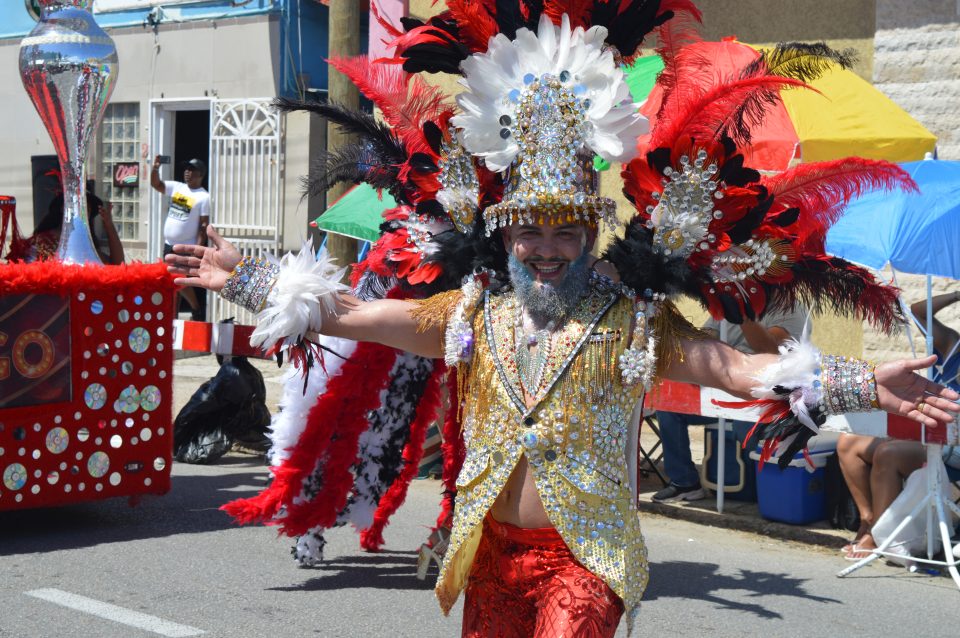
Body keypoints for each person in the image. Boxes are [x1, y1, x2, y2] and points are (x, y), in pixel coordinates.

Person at [166, 7, 959, 636]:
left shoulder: (631, 319)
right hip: (488, 555)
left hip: (586, 560)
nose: (546, 251)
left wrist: (861, 379)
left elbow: (739, 370)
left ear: (588, 235)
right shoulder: (471, 310)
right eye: (530, 231)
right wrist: (251, 278)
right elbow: (356, 313)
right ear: (505, 232)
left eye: (565, 233)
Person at [837, 291, 960, 560]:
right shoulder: (953, 346)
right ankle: (867, 520)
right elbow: (918, 311)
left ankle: (878, 538)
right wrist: (958, 294)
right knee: (849, 443)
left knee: (888, 453)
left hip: (954, 450)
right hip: (930, 436)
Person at [653, 309, 806, 502]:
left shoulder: (789, 308)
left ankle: (756, 490)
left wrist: (742, 314)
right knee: (669, 408)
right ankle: (684, 482)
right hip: (719, 391)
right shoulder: (726, 304)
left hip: (759, 398)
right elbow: (706, 338)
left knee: (743, 429)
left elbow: (769, 348)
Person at [151, 155, 210, 321]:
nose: (187, 173)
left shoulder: (203, 197)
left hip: (186, 247)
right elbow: (156, 184)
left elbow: (203, 226)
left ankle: (196, 308)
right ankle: (174, 314)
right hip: (169, 244)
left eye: (192, 170)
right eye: (186, 169)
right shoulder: (177, 187)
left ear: (200, 175)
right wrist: (155, 167)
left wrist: (197, 250)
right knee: (172, 279)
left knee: (178, 279)